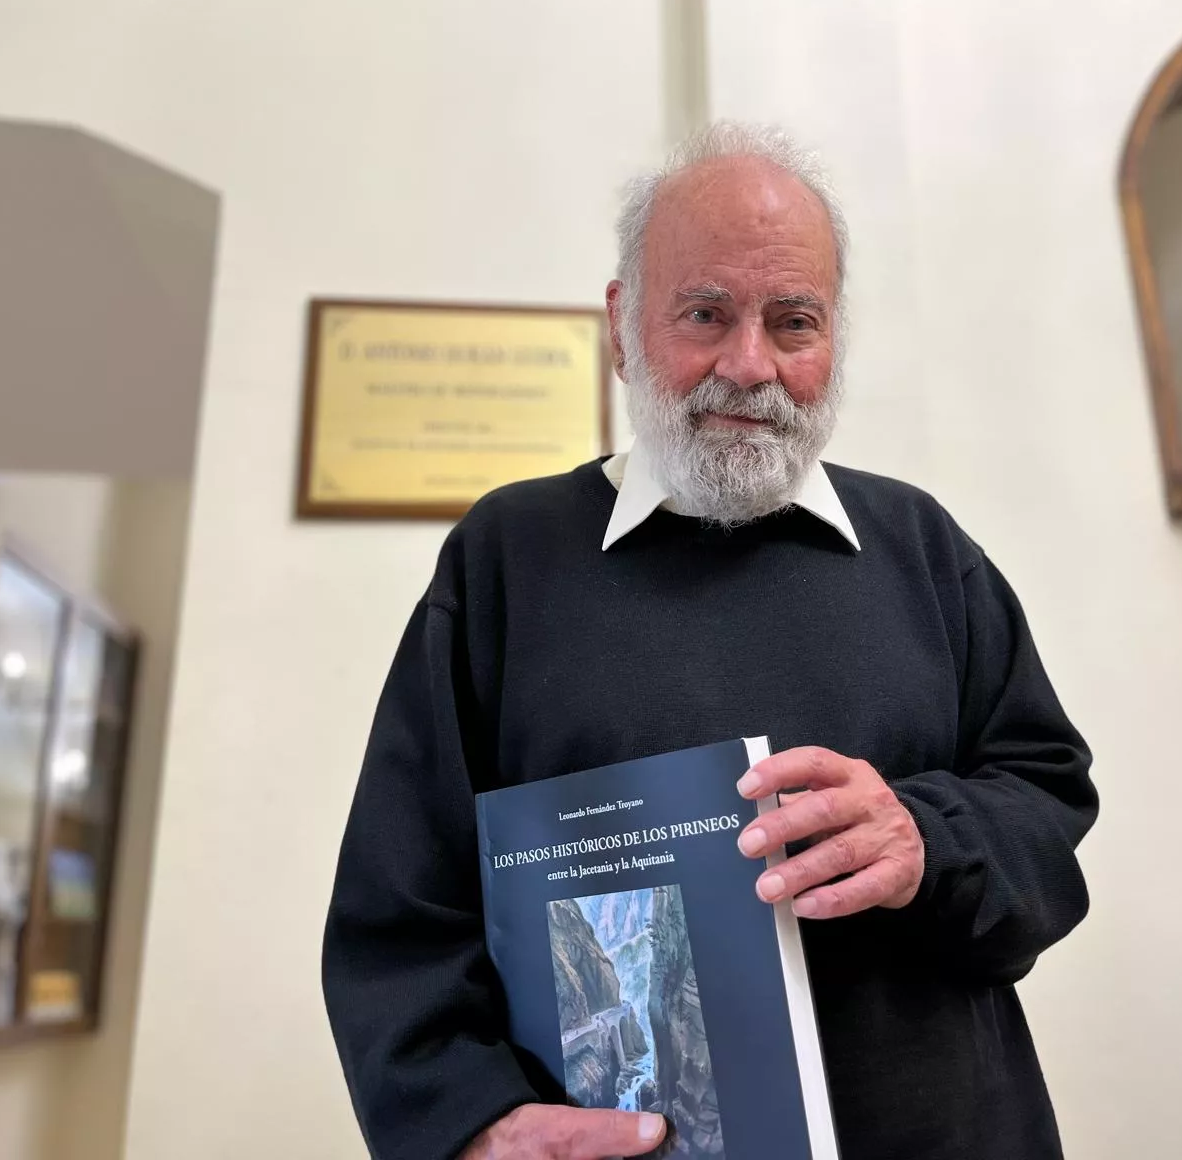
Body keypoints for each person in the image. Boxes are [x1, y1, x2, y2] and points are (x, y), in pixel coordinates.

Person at [322, 122, 1099, 1160]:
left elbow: (1046, 801)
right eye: (704, 313)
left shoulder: (920, 545)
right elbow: (399, 908)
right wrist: (472, 1123)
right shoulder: (506, 558)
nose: (749, 364)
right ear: (621, 324)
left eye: (793, 322)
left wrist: (926, 839)